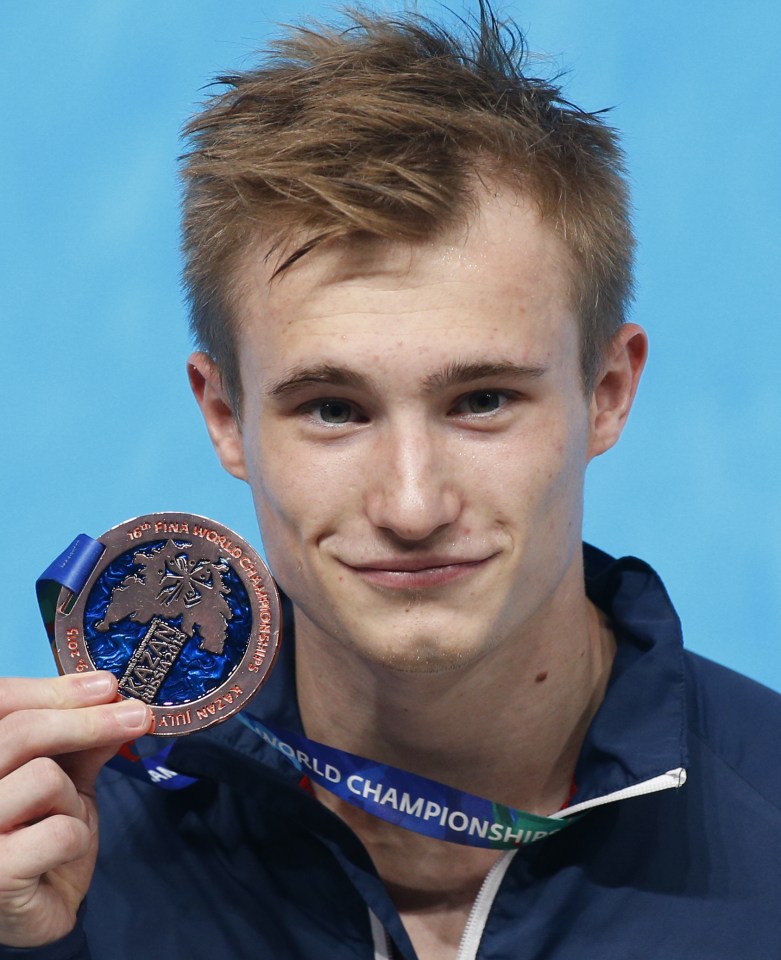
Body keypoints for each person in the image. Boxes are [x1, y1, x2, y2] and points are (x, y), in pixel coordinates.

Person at [2, 7, 780, 959]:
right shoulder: (57, 863)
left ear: (607, 392)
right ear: (223, 416)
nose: (412, 505)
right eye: (332, 408)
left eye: (482, 399)